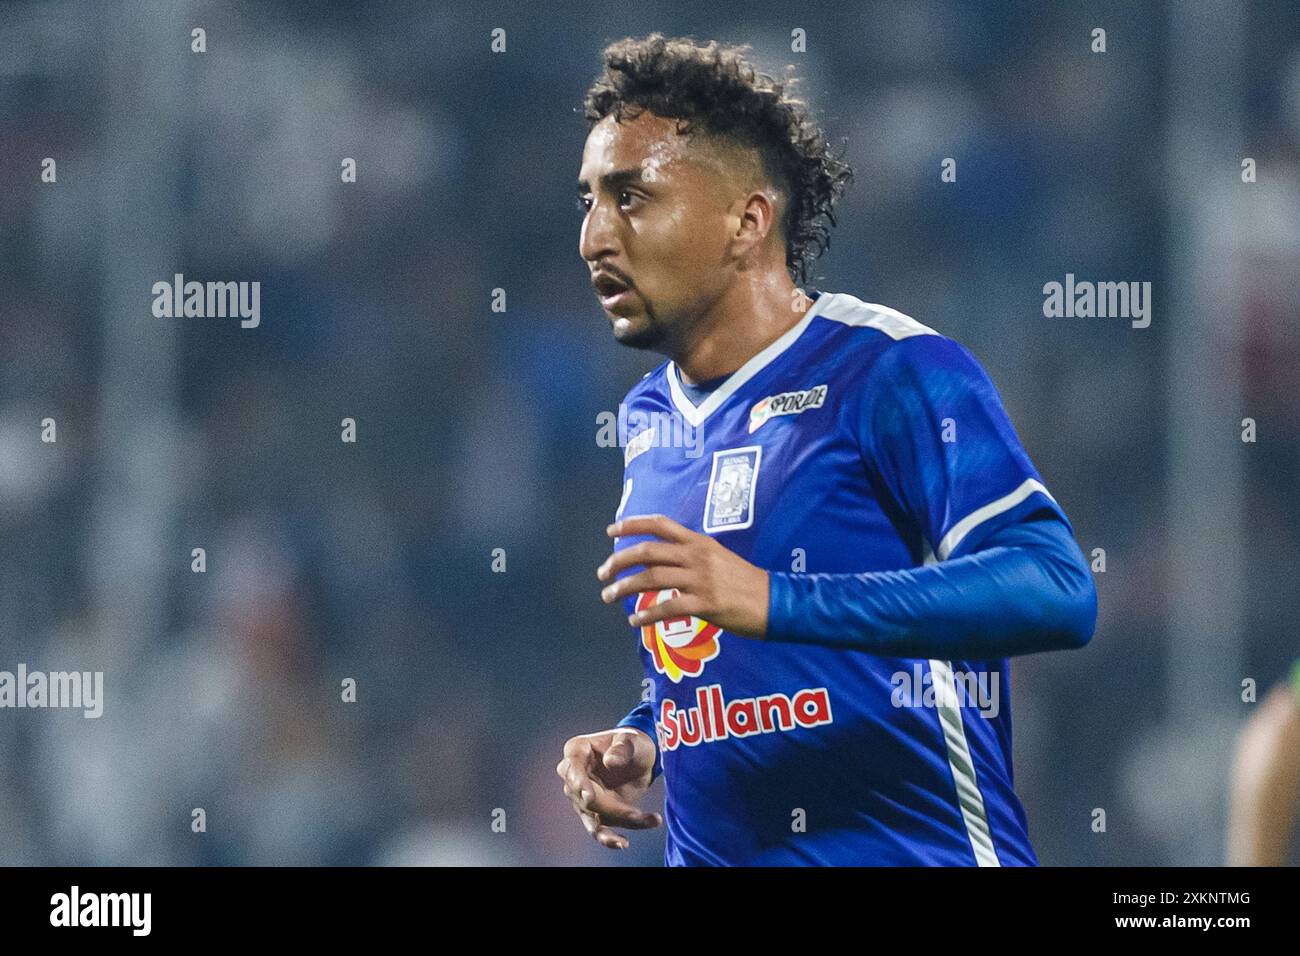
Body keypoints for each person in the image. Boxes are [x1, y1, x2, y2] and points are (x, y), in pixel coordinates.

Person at [557, 34, 1096, 866]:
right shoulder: (645, 420)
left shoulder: (892, 370)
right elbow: (730, 666)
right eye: (588, 200)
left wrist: (779, 600)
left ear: (747, 221)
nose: (595, 235)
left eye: (631, 197)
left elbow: (1057, 588)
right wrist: (647, 734)